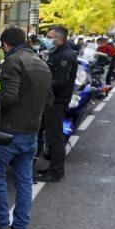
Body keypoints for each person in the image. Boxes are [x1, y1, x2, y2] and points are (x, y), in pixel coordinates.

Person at [0, 27, 52, 229]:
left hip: (8, 131)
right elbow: (49, 100)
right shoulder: (41, 63)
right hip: (32, 132)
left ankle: (2, 228)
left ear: (5, 44)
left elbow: (8, 95)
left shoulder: (13, 61)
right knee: (24, 181)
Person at [35, 25, 77, 183]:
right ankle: (53, 168)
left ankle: (56, 171)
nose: (46, 39)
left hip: (57, 101)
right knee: (51, 135)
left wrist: (39, 84)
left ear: (59, 39)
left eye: (49, 37)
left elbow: (59, 82)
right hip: (51, 100)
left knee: (55, 137)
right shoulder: (57, 53)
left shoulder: (65, 56)